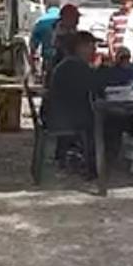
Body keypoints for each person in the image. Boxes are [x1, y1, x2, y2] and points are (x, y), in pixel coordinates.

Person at [43, 31, 101, 173]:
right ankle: (96, 163)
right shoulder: (76, 67)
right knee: (108, 121)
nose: (94, 49)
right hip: (66, 118)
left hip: (60, 114)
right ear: (80, 48)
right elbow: (96, 87)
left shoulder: (68, 65)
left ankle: (89, 159)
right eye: (91, 46)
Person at [30, 0, 60, 73]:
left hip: (47, 56)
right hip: (63, 57)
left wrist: (32, 56)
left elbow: (34, 42)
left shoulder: (41, 21)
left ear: (47, 7)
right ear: (59, 6)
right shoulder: (63, 19)